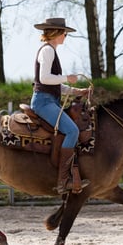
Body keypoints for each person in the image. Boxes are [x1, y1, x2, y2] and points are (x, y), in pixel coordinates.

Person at [31, 17, 90, 194]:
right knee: (73, 131)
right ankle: (64, 181)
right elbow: (44, 79)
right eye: (65, 33)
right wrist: (67, 77)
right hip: (44, 103)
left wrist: (76, 91)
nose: (66, 36)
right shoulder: (48, 51)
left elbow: (54, 84)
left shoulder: (50, 51)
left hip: (48, 100)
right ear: (57, 33)